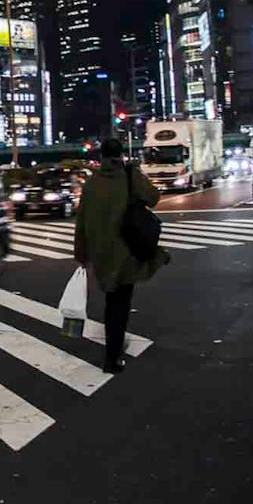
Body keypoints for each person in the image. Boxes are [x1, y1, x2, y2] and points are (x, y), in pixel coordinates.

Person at [71, 137, 168, 372]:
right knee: (121, 302)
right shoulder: (128, 176)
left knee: (111, 300)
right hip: (126, 249)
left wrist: (81, 253)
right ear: (121, 155)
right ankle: (112, 357)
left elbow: (81, 221)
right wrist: (135, 174)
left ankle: (113, 350)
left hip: (101, 253)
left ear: (101, 157)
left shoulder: (92, 184)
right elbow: (153, 197)